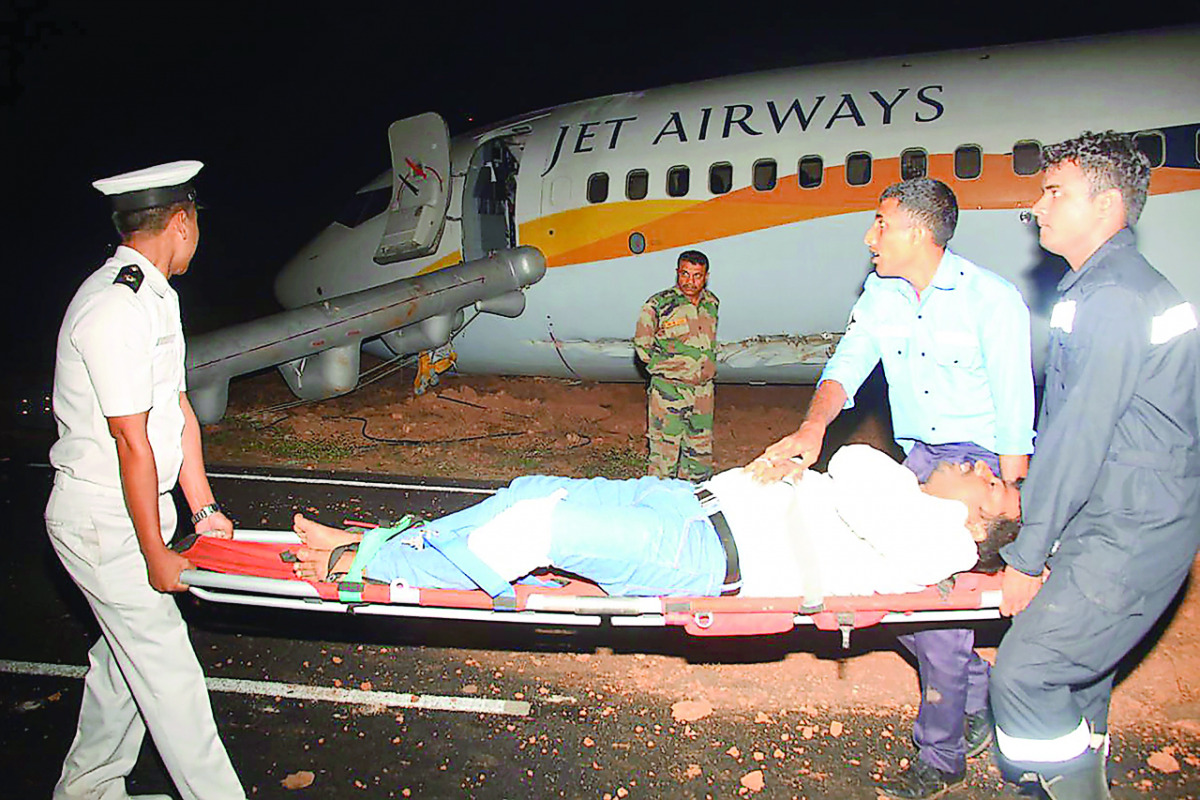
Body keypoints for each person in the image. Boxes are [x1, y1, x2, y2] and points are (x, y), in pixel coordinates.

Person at [748, 178, 1035, 799]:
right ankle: (977, 692)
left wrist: (1016, 530)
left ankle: (942, 755)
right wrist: (813, 428)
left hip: (974, 473)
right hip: (921, 461)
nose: (868, 236)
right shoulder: (882, 294)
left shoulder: (992, 301)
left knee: (935, 618)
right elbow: (847, 366)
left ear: (918, 233)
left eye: (881, 223)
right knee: (887, 589)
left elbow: (1017, 425)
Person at [991, 131, 1200, 800]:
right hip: (1120, 512)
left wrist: (1028, 556)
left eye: (1055, 192)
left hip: (1132, 527)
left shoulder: (1112, 298)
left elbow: (1076, 436)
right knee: (1080, 679)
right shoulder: (1105, 287)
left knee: (1027, 674)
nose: (1038, 207)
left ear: (1106, 205)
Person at [45, 161, 247, 800]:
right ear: (181, 223)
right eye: (197, 224)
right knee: (169, 675)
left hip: (135, 510)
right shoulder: (113, 308)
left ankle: (86, 791)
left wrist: (203, 510)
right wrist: (155, 551)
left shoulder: (157, 297)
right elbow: (130, 441)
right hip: (104, 520)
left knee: (122, 669)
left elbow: (175, 408)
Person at [288, 445, 1021, 602]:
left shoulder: (940, 539)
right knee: (530, 491)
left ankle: (364, 565)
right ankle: (383, 540)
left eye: (990, 479)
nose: (976, 464)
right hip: (690, 504)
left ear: (983, 517)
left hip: (701, 554)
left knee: (539, 530)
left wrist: (810, 469)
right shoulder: (919, 508)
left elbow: (856, 466)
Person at [634, 249, 719, 481]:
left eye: (697, 275)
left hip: (703, 392)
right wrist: (673, 369)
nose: (690, 281)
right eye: (685, 274)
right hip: (669, 392)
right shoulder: (658, 304)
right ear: (677, 273)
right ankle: (658, 500)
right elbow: (642, 347)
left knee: (700, 456)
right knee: (664, 456)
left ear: (706, 276)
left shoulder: (712, 303)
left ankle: (693, 497)